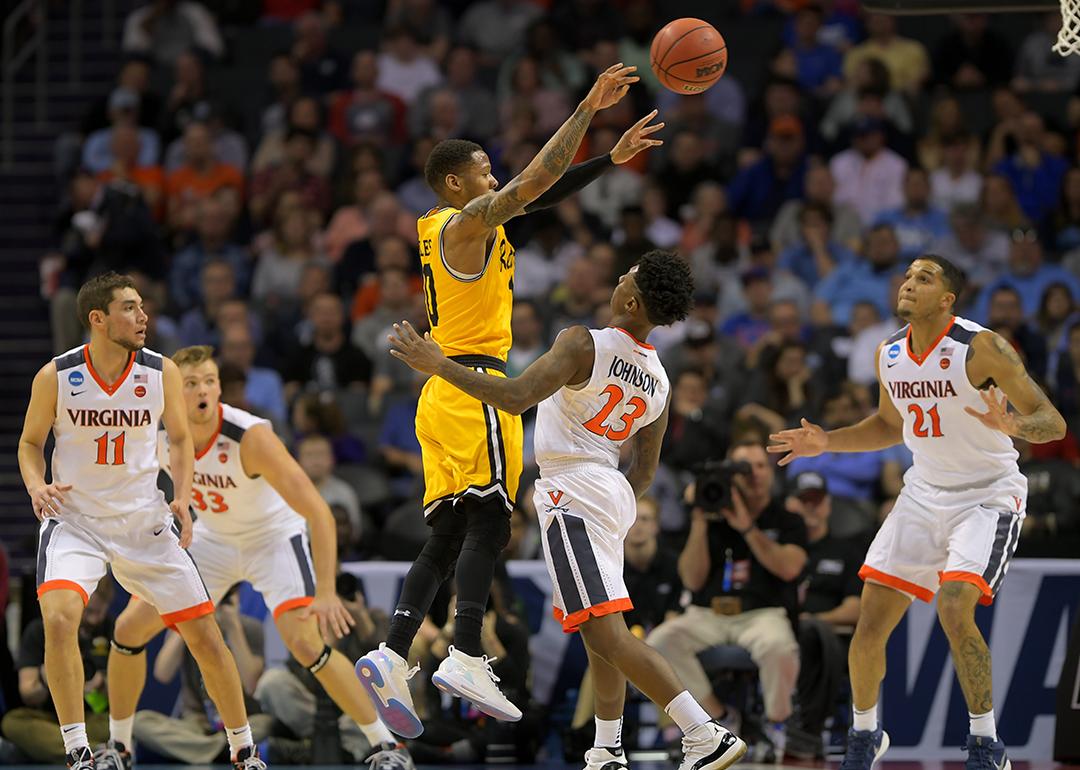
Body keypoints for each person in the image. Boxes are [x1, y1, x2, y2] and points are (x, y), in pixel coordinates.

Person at [353, 63, 662, 737]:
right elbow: (534, 183)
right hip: (473, 387)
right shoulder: (465, 223)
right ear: (457, 183)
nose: (497, 178)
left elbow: (537, 194)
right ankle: (465, 651)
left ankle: (391, 651)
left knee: (451, 531)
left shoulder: (447, 225)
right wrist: (586, 108)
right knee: (492, 521)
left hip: (444, 389)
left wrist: (609, 158)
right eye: (486, 169)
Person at [387, 251, 747, 770]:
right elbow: (644, 471)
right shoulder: (661, 381)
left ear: (630, 299)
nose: (619, 274)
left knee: (604, 631)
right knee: (597, 624)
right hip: (611, 494)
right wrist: (613, 501)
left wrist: (439, 365)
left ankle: (701, 731)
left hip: (572, 489)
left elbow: (513, 398)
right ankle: (607, 747)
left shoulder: (584, 342)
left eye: (628, 275)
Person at [769, 254, 1067, 770]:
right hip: (924, 492)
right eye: (907, 276)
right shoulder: (888, 354)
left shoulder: (982, 347)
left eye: (923, 279)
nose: (908, 284)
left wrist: (1013, 426)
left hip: (987, 494)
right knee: (870, 623)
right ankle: (865, 735)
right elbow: (889, 427)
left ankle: (985, 743)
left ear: (947, 299)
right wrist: (827, 442)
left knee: (954, 606)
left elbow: (1054, 423)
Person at [102, 345, 412, 770]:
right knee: (129, 628)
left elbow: (318, 512)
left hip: (272, 538)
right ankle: (118, 748)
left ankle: (386, 747)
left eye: (210, 381)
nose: (203, 390)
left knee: (305, 643)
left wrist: (324, 591)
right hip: (212, 539)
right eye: (191, 383)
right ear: (171, 389)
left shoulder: (249, 436)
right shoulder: (157, 432)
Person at [16, 272, 265, 770]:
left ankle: (243, 750)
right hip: (75, 520)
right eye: (130, 308)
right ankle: (78, 752)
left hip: (142, 519)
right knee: (60, 618)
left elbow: (178, 440)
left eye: (142, 306)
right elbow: (28, 444)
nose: (143, 315)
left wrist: (184, 496)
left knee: (205, 636)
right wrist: (36, 485)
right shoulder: (57, 376)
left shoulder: (162, 371)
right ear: (98, 318)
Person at [1, 578, 114, 764]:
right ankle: (96, 750)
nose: (95, 619)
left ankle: (55, 751)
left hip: (91, 718)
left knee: (120, 724)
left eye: (101, 612)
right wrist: (46, 678)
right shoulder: (39, 630)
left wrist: (101, 683)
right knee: (12, 723)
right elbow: (27, 693)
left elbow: (124, 694)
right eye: (90, 612)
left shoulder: (110, 627)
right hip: (48, 718)